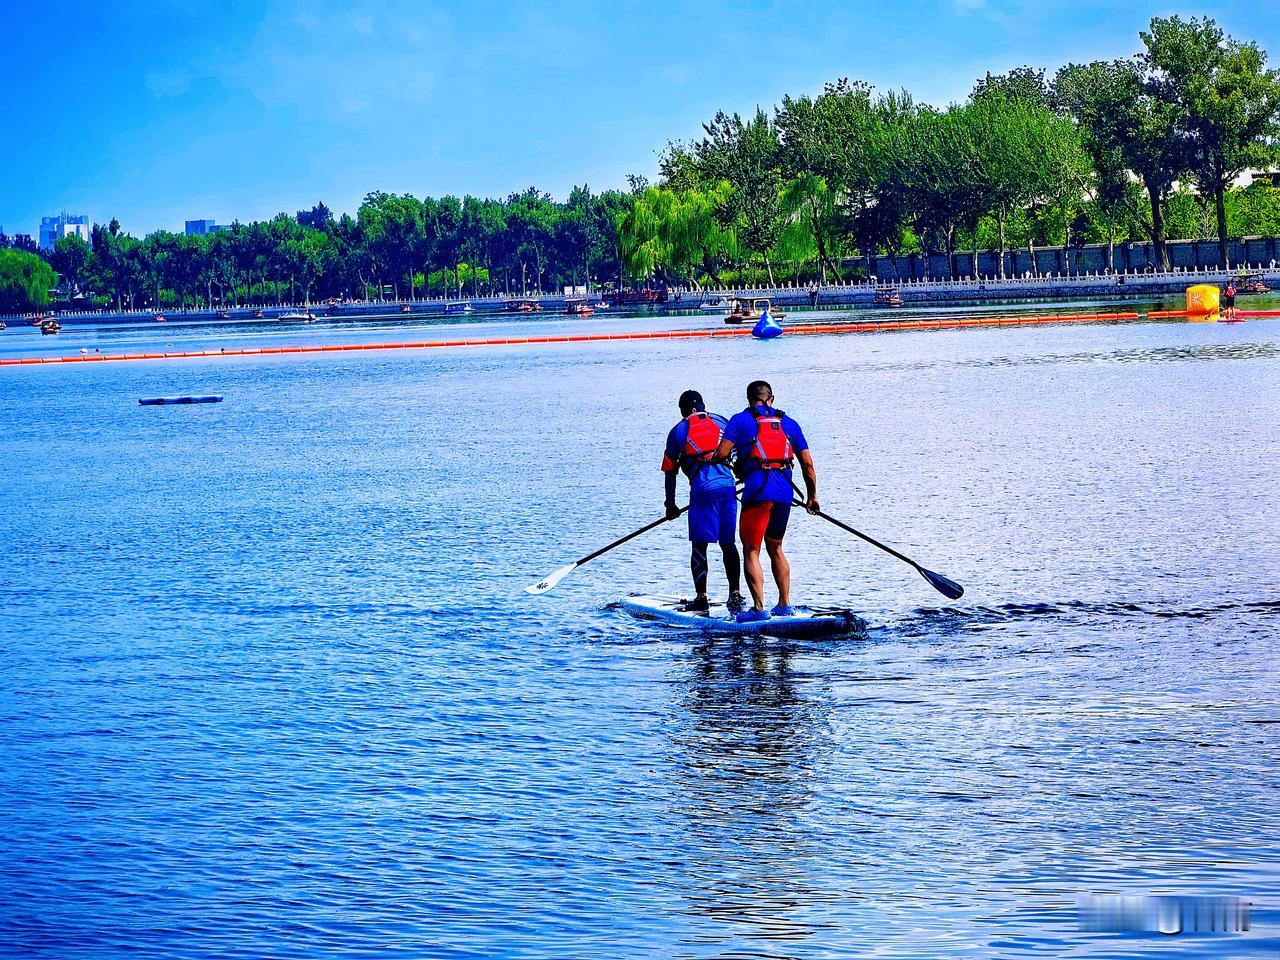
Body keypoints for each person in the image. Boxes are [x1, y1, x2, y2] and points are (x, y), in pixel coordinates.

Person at [715, 381, 818, 622]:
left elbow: (721, 454)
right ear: (771, 398)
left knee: (751, 550)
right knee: (777, 547)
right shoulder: (789, 423)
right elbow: (808, 465)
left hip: (757, 495)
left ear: (749, 399)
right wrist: (812, 496)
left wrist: (718, 460)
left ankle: (759, 609)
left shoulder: (739, 420)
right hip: (784, 496)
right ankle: (784, 604)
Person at [662, 390, 745, 615]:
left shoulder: (678, 431)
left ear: (682, 410)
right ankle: (735, 594)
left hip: (702, 492)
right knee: (728, 543)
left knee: (700, 546)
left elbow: (670, 472)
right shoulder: (721, 421)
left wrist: (670, 504)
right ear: (703, 406)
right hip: (728, 489)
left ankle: (701, 598)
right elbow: (741, 454)